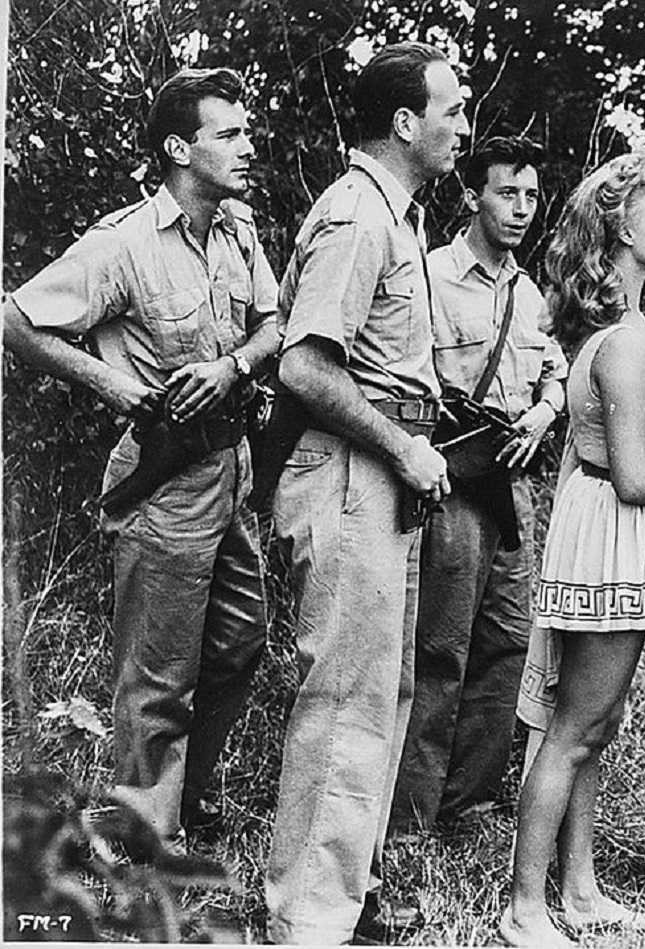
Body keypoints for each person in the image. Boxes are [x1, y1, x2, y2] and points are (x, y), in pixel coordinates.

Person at [3, 67, 278, 848]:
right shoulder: (122, 243)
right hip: (162, 481)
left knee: (239, 641)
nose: (247, 147)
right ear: (178, 148)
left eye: (247, 132)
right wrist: (113, 386)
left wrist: (234, 367)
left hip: (230, 470)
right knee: (157, 673)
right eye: (231, 135)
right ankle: (145, 834)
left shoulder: (239, 231)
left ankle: (181, 794)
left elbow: (275, 324)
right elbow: (17, 321)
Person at [498, 151, 645, 948]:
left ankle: (580, 888)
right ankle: (525, 906)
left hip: (600, 530)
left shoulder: (615, 330)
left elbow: (581, 456)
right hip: (616, 530)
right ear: (621, 230)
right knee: (576, 727)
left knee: (591, 723)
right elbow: (634, 477)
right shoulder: (623, 343)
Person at [263, 42, 467, 945]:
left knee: (380, 692)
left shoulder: (399, 214)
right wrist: (403, 447)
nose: (462, 125)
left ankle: (344, 893)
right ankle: (308, 918)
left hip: (382, 467)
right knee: (345, 694)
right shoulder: (358, 214)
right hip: (353, 468)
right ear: (404, 122)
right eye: (451, 109)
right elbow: (305, 367)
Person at [390, 136, 568, 836]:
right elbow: (403, 376)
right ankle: (410, 815)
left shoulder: (532, 292)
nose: (521, 208)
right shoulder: (428, 276)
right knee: (439, 651)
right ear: (471, 196)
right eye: (506, 192)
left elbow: (554, 368)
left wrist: (545, 411)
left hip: (513, 490)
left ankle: (471, 804)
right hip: (452, 485)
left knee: (509, 648)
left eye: (530, 195)